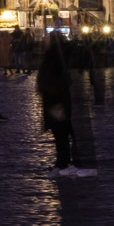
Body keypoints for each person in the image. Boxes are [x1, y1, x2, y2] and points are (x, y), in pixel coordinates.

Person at [37, 33, 76, 177]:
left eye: (47, 38)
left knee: (61, 134)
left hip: (56, 101)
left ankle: (63, 164)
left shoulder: (54, 56)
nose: (44, 40)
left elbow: (56, 79)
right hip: (56, 100)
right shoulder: (56, 55)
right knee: (62, 133)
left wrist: (57, 102)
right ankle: (65, 162)